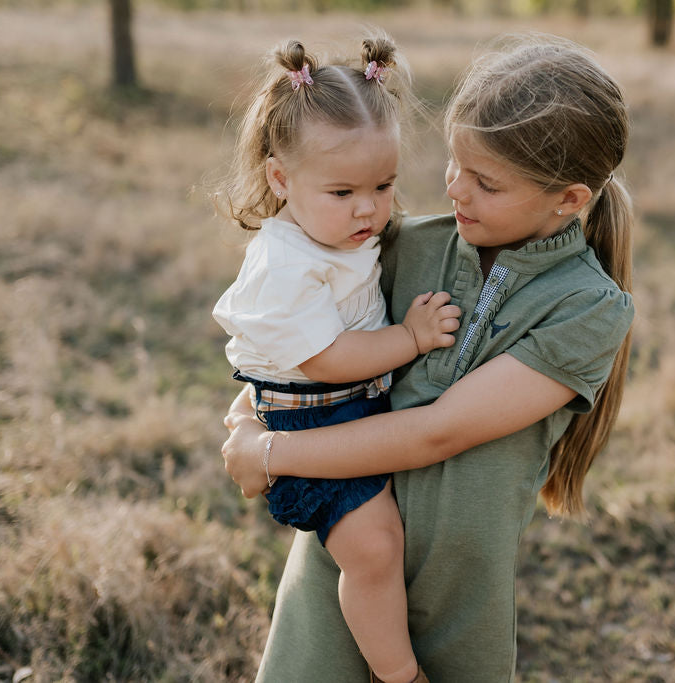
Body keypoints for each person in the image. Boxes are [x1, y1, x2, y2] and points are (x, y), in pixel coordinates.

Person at [222, 34, 636, 682]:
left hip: (459, 593)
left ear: (570, 199)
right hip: (344, 554)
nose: (456, 191)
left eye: (486, 183)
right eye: (455, 165)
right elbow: (295, 337)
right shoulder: (402, 245)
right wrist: (248, 415)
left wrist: (269, 455)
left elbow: (437, 430)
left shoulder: (586, 308)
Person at [212, 36, 460, 683]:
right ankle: (399, 672)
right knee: (374, 549)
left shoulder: (338, 232)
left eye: (384, 185)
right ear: (280, 180)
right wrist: (410, 338)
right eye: (344, 190)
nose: (369, 208)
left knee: (393, 539)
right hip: (310, 421)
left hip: (344, 408)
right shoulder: (287, 263)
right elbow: (326, 356)